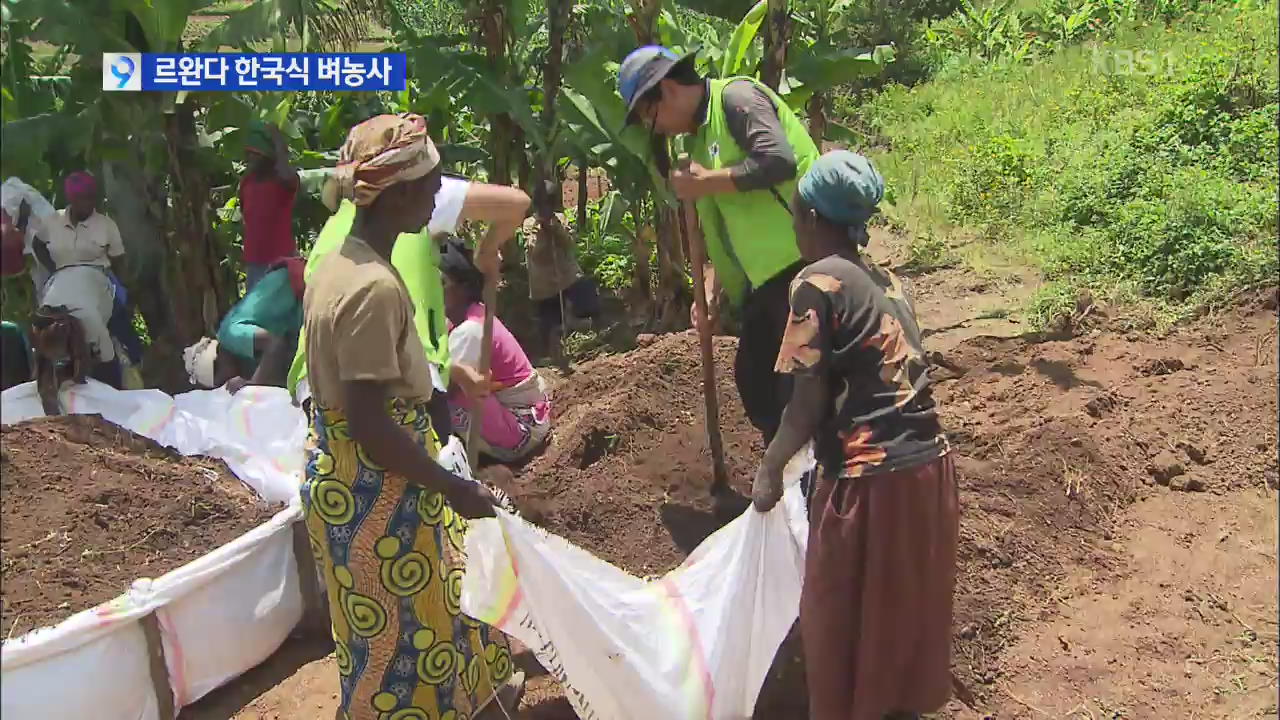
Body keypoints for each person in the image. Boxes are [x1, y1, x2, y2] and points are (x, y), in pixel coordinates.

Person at [300, 113, 522, 720]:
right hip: (378, 495)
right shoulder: (373, 286)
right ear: (397, 193)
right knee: (403, 649)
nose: (436, 195)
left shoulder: (338, 261)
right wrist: (454, 486)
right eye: (429, 185)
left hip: (357, 484)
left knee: (399, 634)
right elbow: (372, 425)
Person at [750, 152, 959, 720]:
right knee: (896, 620)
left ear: (812, 216)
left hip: (871, 480)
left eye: (795, 213)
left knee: (838, 623)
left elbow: (806, 403)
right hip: (930, 469)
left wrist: (769, 471)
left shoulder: (815, 282)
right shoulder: (893, 282)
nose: (793, 224)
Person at [617, 45, 822, 449]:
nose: (652, 128)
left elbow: (778, 161)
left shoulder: (737, 99)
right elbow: (720, 227)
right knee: (755, 381)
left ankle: (807, 480)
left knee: (793, 386)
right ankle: (787, 477)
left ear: (669, 89)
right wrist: (712, 288)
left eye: (648, 114)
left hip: (806, 260)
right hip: (765, 280)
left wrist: (707, 181)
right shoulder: (698, 142)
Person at [287, 156, 530, 436]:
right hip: (403, 383)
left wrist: (457, 372)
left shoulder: (334, 230)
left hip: (316, 386)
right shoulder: (416, 199)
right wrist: (486, 250)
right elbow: (517, 203)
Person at [440, 237, 551, 463]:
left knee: (439, 400)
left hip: (521, 431)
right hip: (529, 416)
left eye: (441, 283)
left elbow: (443, 389)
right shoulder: (472, 312)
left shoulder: (470, 330)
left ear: (462, 287)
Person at [16, 172, 131, 387]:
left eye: (90, 197)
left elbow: (119, 260)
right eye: (81, 198)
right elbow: (38, 244)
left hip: (96, 276)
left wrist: (119, 288)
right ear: (71, 199)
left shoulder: (106, 225)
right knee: (47, 317)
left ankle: (109, 367)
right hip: (61, 276)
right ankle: (46, 374)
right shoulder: (53, 221)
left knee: (89, 316)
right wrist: (53, 269)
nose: (86, 203)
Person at [183, 256, 304, 393]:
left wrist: (253, 386)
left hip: (305, 287)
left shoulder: (230, 335)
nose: (227, 383)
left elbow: (275, 344)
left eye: (222, 381)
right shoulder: (241, 354)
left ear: (218, 362)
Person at [523, 212, 600, 358]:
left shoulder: (560, 218)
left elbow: (568, 243)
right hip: (545, 286)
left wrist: (555, 227)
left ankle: (587, 328)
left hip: (567, 277)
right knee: (549, 327)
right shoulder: (529, 224)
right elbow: (537, 253)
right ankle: (553, 348)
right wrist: (541, 229)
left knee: (587, 290)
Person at [240, 120, 300, 292]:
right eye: (249, 154)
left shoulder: (282, 182)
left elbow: (287, 174)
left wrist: (277, 141)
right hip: (255, 263)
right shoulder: (247, 182)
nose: (250, 159)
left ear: (267, 157)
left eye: (255, 155)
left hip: (280, 263)